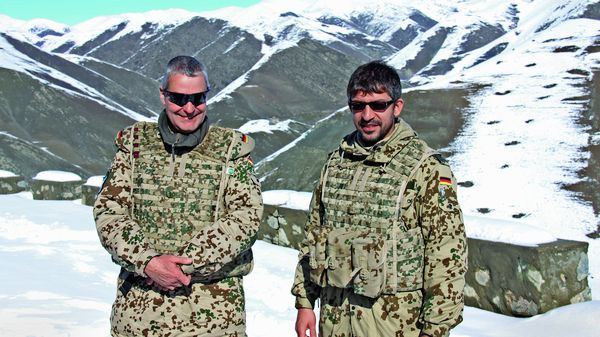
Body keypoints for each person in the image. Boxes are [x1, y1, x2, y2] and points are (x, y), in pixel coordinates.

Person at [292, 61, 467, 337]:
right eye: (358, 106)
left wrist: (435, 329)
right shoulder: (337, 162)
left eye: (378, 105)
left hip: (394, 324)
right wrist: (304, 302)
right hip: (335, 320)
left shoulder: (425, 168)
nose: (367, 115)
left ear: (397, 107)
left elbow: (446, 253)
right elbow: (314, 235)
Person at [94, 55, 263, 337]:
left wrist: (181, 267)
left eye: (197, 98)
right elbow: (109, 211)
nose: (188, 108)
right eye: (178, 98)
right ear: (163, 95)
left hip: (212, 317)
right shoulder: (134, 147)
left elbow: (246, 218)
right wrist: (148, 262)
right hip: (139, 314)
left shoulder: (232, 150)